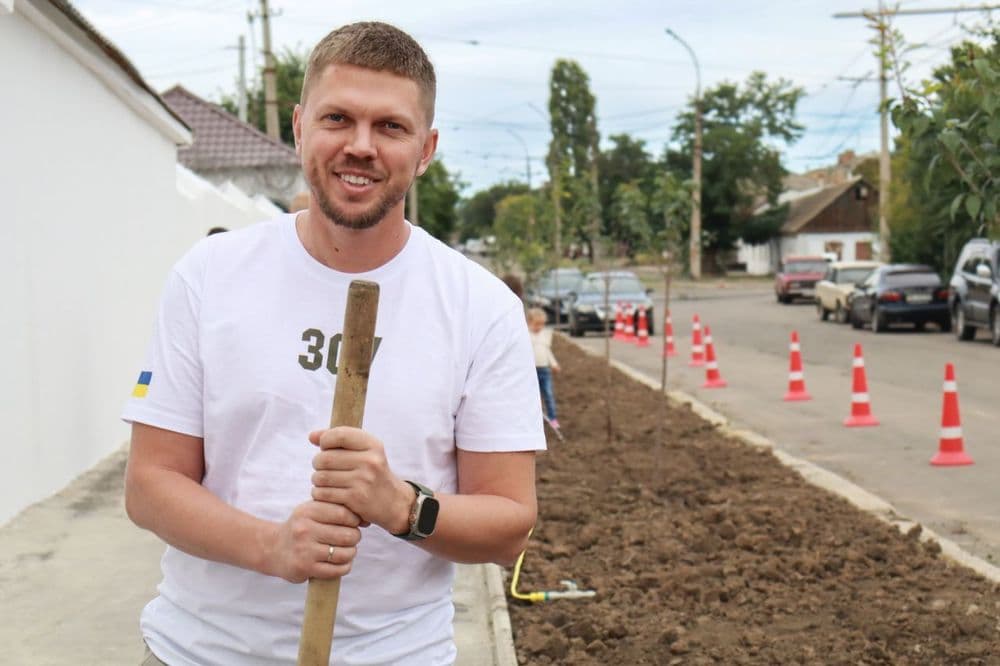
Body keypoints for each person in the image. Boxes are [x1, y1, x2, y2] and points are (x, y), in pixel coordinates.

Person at [122, 21, 545, 666]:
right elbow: (150, 484)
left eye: (391, 127)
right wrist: (272, 546)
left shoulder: (481, 308)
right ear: (299, 127)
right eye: (338, 118)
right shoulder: (209, 276)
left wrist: (402, 507)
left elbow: (510, 522)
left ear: (426, 148)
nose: (361, 146)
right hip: (199, 652)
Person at [527, 307, 560, 430]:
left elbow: (547, 351)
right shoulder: (526, 336)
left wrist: (554, 364)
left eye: (541, 324)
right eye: (536, 324)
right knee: (533, 397)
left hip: (544, 370)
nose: (539, 327)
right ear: (529, 323)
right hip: (531, 372)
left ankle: (553, 419)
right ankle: (534, 420)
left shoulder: (544, 336)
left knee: (548, 394)